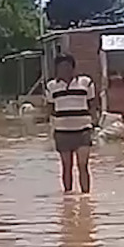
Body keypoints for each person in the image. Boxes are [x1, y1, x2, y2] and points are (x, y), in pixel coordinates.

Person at [46, 53, 100, 194]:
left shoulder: (86, 82)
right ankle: (68, 195)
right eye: (62, 67)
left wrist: (94, 121)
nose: (65, 69)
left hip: (83, 129)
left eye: (68, 66)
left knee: (83, 164)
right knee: (66, 165)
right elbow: (50, 108)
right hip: (62, 131)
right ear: (57, 69)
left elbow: (92, 104)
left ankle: (86, 196)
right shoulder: (51, 86)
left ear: (73, 67)